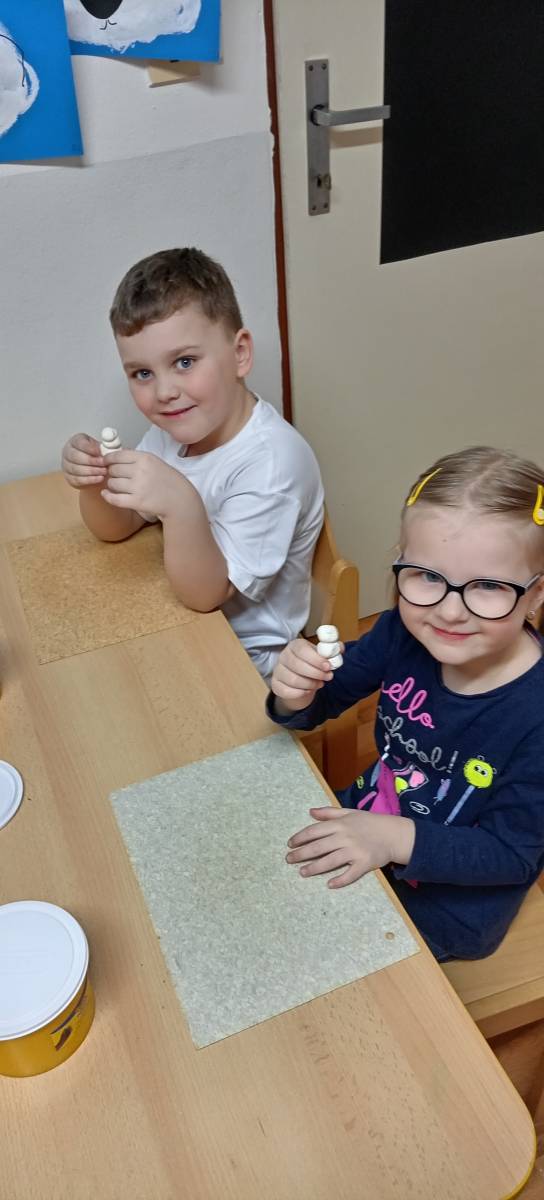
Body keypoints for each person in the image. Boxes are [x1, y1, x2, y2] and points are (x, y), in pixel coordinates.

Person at [268, 446, 544, 961]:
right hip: (368, 820)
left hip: (447, 911)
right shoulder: (402, 631)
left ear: (536, 594)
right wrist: (294, 694)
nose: (450, 611)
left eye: (488, 586)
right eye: (427, 576)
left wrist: (394, 839)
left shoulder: (535, 716)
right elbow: (321, 701)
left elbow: (512, 854)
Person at [61, 247, 324, 682]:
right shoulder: (175, 430)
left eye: (184, 362)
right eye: (142, 373)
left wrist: (180, 504)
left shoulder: (272, 465)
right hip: (176, 622)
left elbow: (206, 596)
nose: (164, 392)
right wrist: (93, 483)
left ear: (240, 354)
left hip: (246, 666)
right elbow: (117, 527)